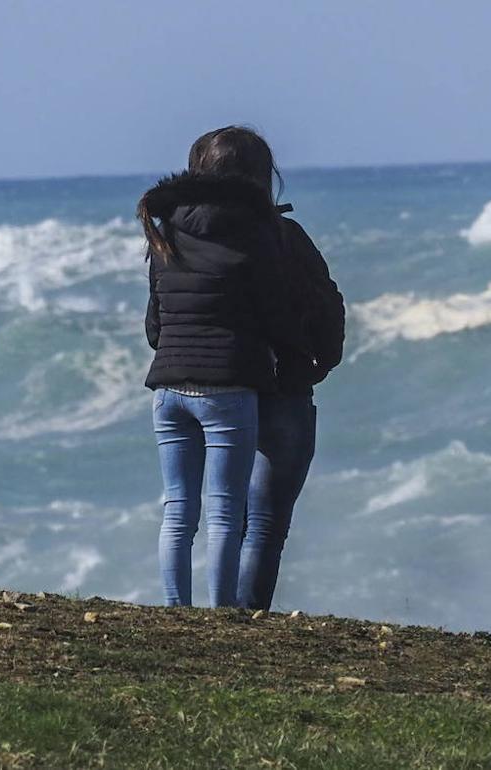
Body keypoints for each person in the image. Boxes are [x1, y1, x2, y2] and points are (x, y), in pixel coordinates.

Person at [138, 126, 309, 607]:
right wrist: (296, 355)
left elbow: (156, 319)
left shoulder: (165, 226)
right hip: (228, 387)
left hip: (168, 387)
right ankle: (221, 617)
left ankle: (175, 610)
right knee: (226, 510)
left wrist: (173, 349)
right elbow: (273, 312)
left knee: (177, 509)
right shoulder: (257, 231)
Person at [237, 198, 345, 611]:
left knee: (225, 519)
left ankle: (211, 614)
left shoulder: (180, 235)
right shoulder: (284, 236)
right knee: (265, 523)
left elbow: (161, 318)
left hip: (211, 388)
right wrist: (321, 363)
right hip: (285, 386)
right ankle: (243, 618)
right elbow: (327, 302)